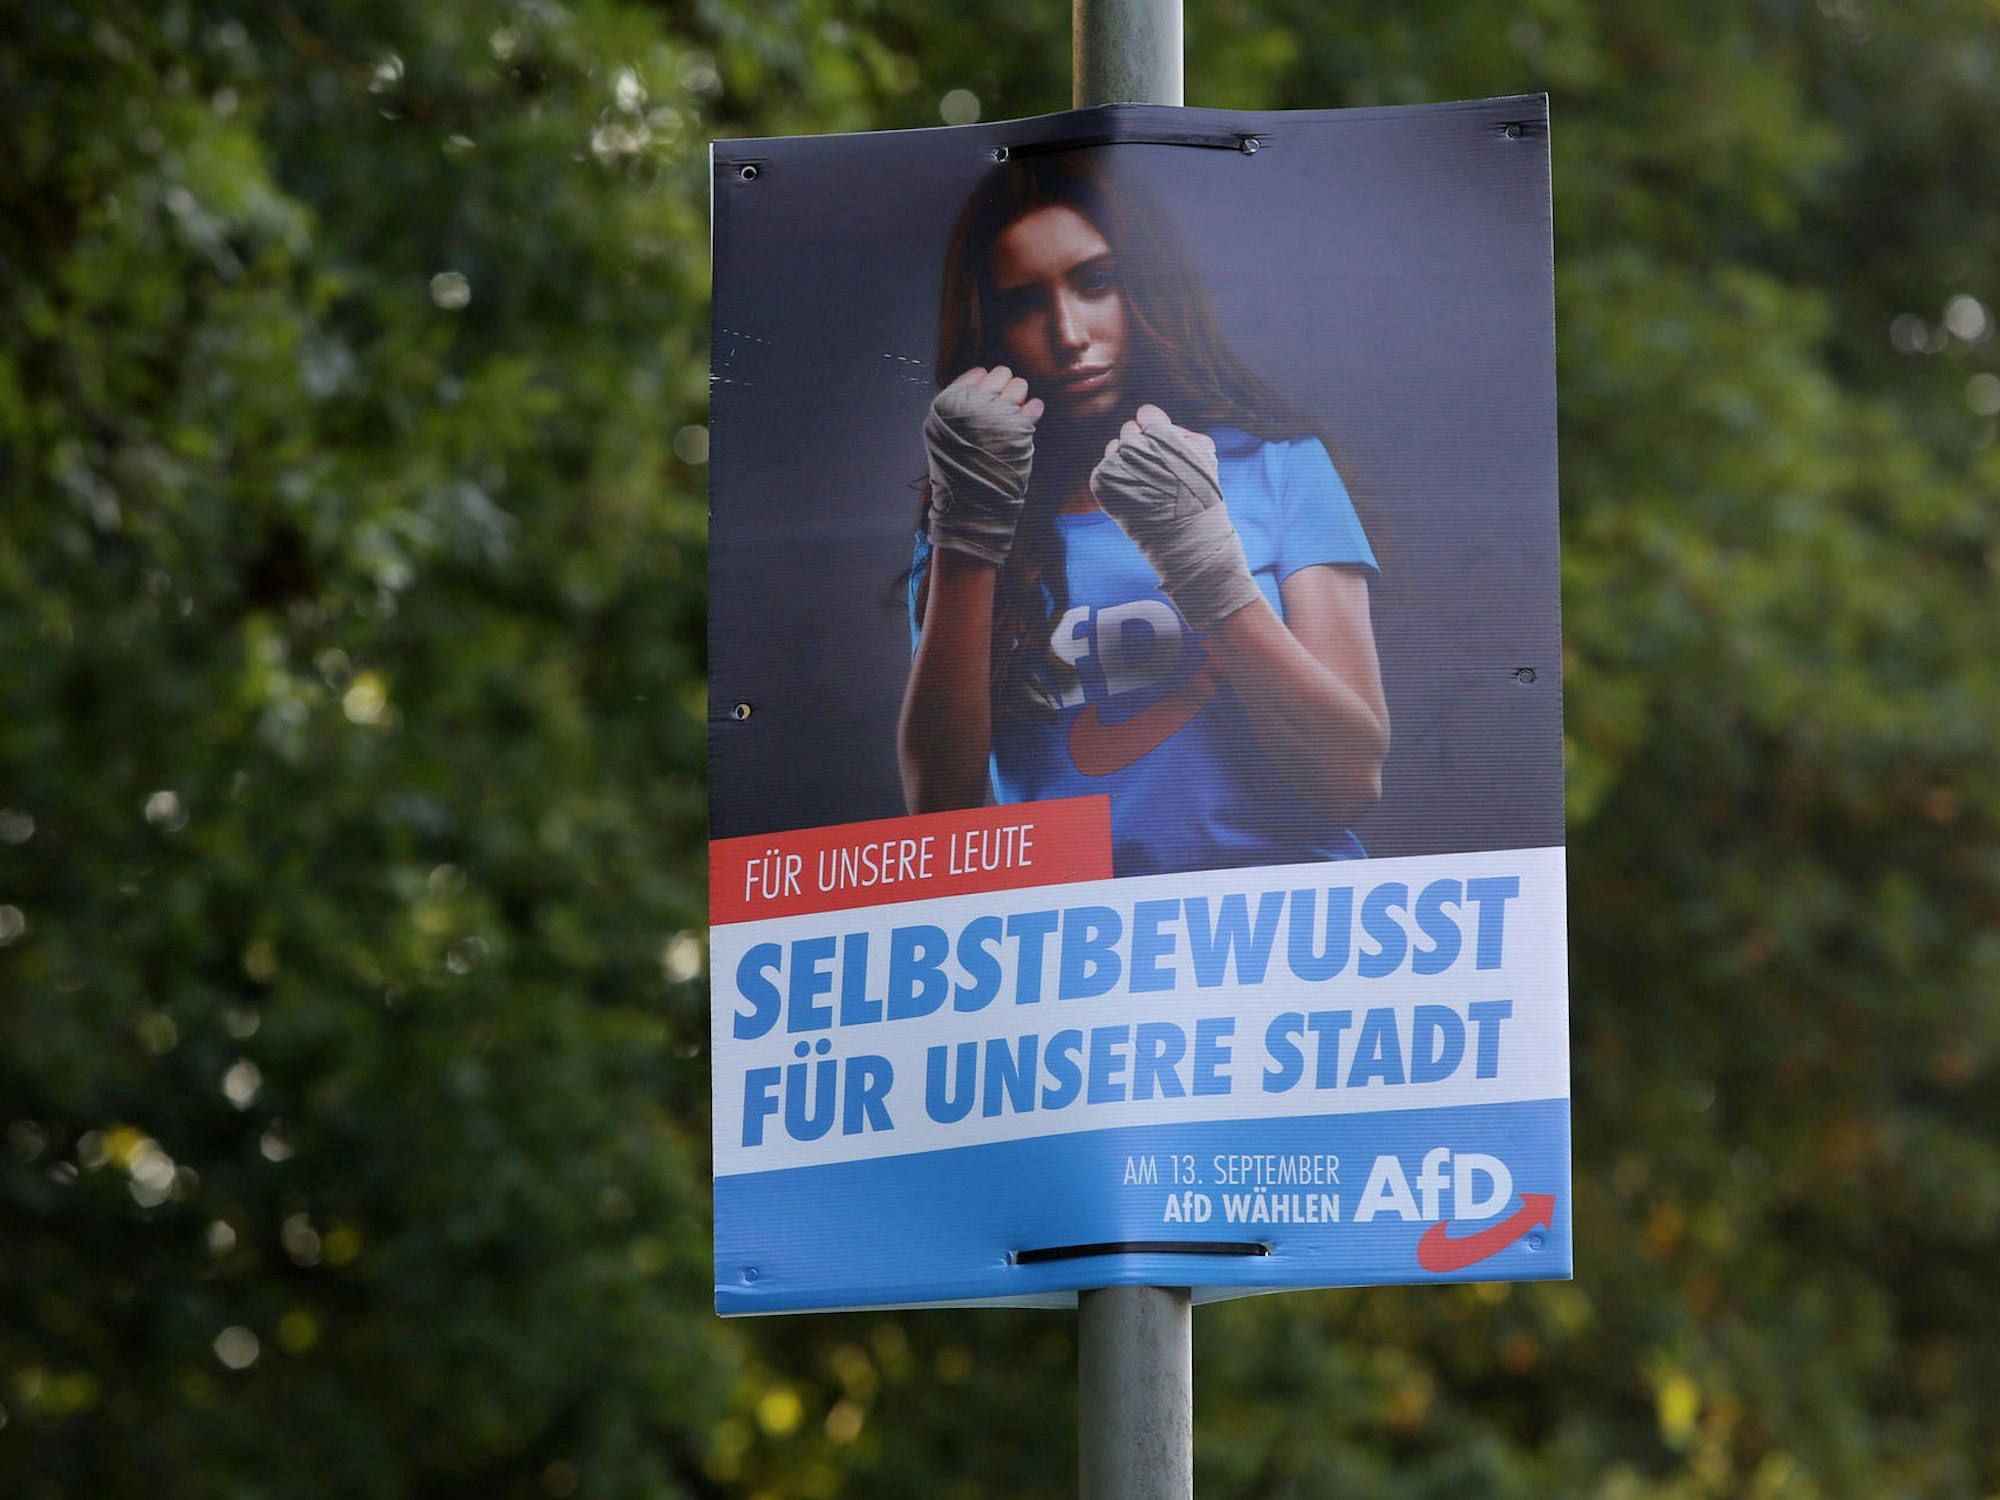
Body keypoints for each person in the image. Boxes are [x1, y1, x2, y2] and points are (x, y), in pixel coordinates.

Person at [899, 154, 1388, 877]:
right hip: (1073, 952)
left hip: (1281, 934)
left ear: (1149, 288)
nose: (1068, 333)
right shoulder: (971, 503)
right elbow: (943, 817)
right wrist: (966, 533)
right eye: (1024, 303)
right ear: (991, 329)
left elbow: (1349, 782)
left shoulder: (1278, 464)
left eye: (1095, 282)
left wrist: (1204, 563)